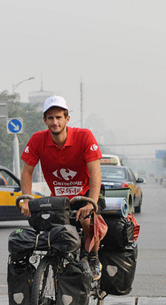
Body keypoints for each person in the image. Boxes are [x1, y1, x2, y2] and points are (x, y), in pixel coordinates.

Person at [19, 95, 105, 279]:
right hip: (61, 198)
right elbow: (26, 172)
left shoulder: (84, 136)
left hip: (87, 193)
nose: (55, 122)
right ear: (44, 120)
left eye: (59, 117)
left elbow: (96, 172)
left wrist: (92, 203)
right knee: (51, 228)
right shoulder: (37, 140)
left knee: (86, 220)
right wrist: (26, 199)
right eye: (50, 118)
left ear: (67, 118)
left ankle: (92, 257)